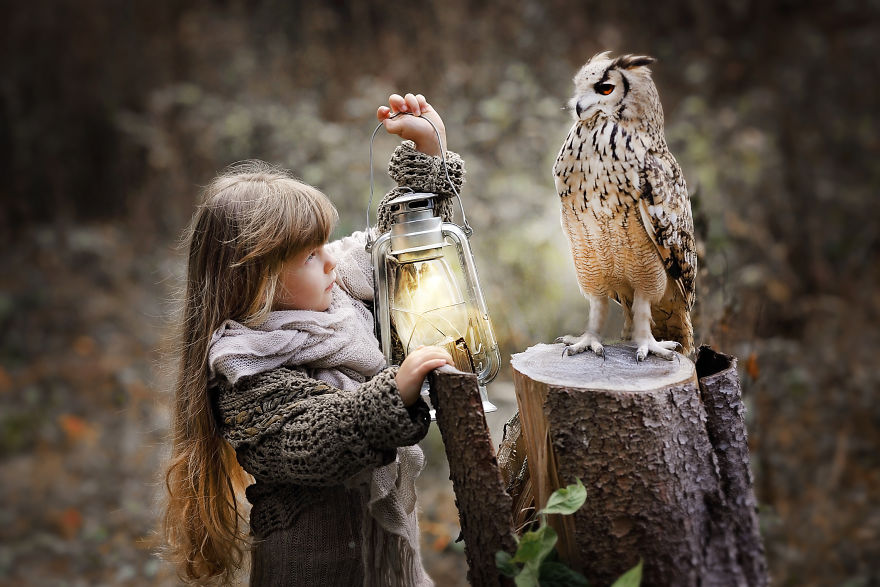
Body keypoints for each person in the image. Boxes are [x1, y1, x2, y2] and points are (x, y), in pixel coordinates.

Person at [162, 93, 466, 586]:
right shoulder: (245, 372)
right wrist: (394, 390)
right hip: (311, 570)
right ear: (255, 282)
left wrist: (427, 155)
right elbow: (314, 435)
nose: (329, 260)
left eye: (324, 243)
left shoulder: (336, 294)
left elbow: (401, 244)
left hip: (389, 566)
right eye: (307, 255)